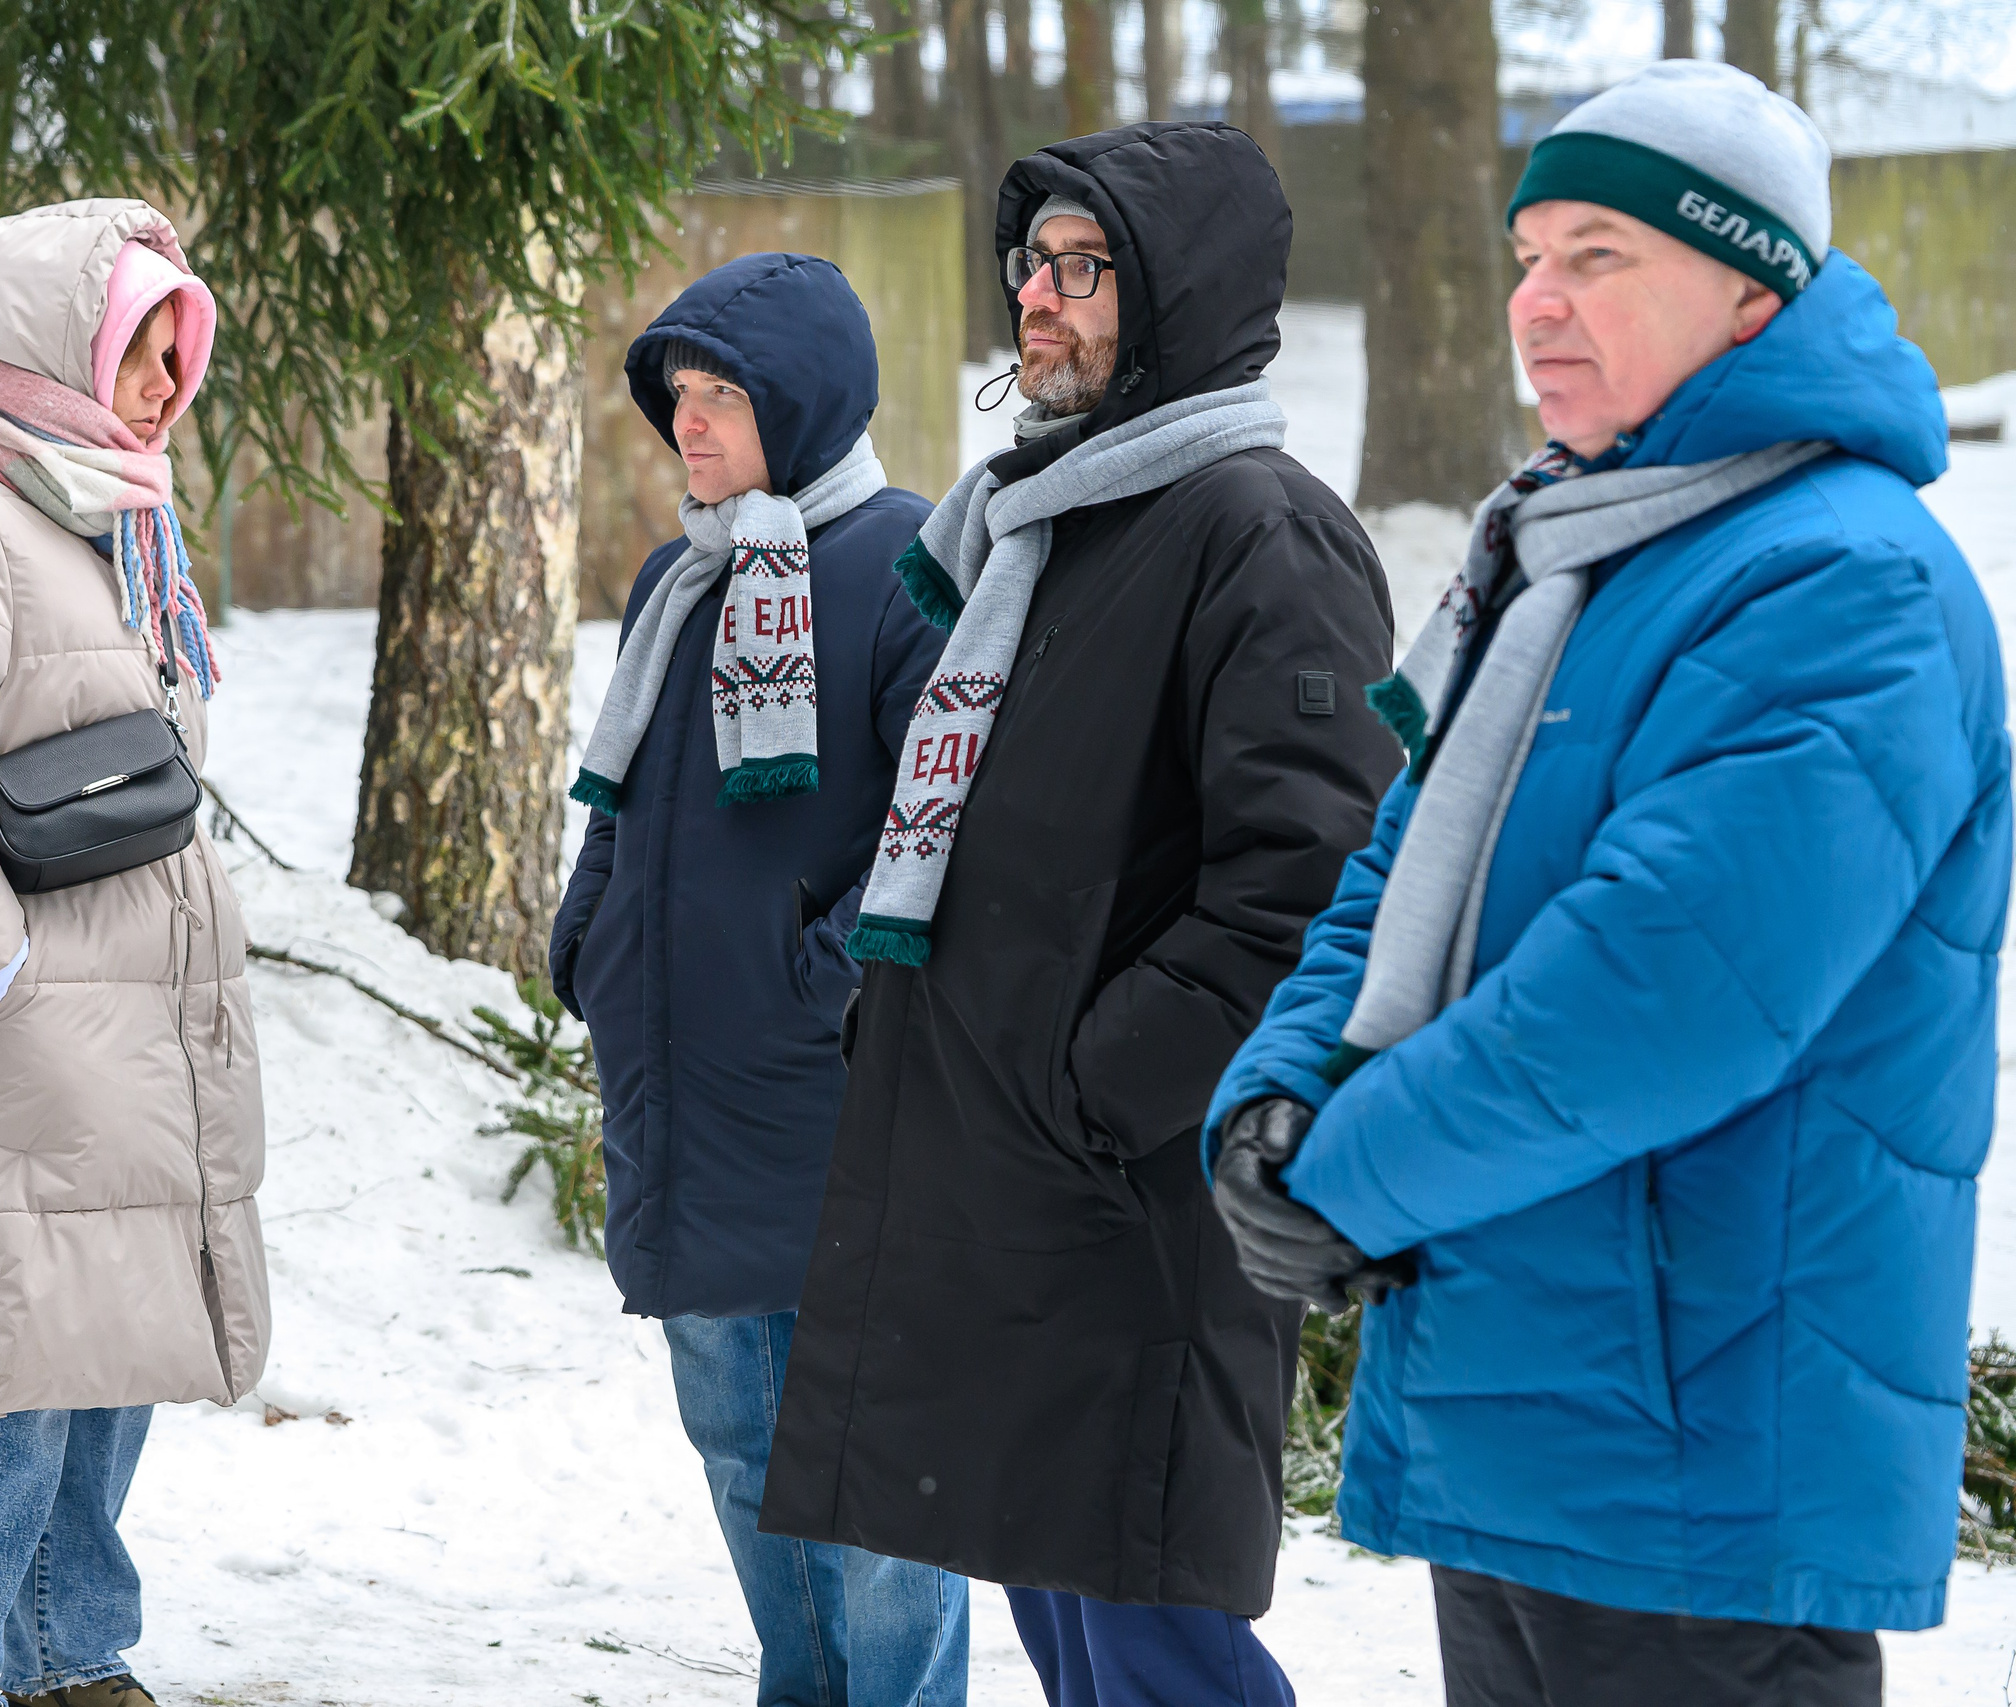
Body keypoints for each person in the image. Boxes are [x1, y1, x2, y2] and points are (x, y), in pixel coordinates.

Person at [1204, 62, 2008, 1707]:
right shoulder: (1584, 548)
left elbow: (1658, 992)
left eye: (1599, 256)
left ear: (1750, 290)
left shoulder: (1840, 581)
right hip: (1534, 1413)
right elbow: (1401, 871)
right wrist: (1281, 1097)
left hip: (1699, 1457)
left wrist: (1353, 1173)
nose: (1537, 302)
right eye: (1528, 256)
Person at [758, 124, 1402, 1707]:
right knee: (1068, 1621)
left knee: (1153, 1634)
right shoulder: (1042, 524)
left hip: (1128, 1214)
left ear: (1177, 291)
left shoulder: (1256, 529)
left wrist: (1094, 1090)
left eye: (1083, 267)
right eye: (1030, 264)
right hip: (1005, 1194)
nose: (1036, 299)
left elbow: (1310, 882)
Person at [0, 198, 269, 1707]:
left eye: (176, 354)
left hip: (135, 1016)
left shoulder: (112, 513)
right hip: (29, 1028)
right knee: (2, 1370)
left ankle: (67, 1657)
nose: (163, 386)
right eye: (137, 352)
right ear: (51, 347)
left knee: (109, 1348)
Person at [548, 251, 967, 1707]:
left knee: (876, 1469)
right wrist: (591, 937)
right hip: (687, 1087)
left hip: (837, 1095)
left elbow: (946, 817)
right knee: (738, 1444)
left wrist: (827, 982)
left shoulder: (912, 568)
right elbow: (622, 798)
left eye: (721, 396)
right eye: (678, 395)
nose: (689, 424)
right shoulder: (681, 579)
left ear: (800, 402)